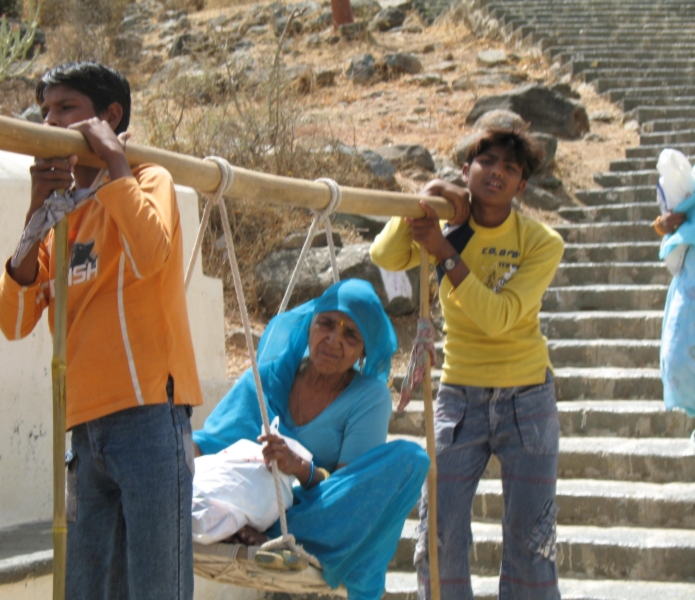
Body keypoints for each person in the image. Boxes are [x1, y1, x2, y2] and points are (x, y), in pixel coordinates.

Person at [0, 62, 202, 599]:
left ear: (110, 116)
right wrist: (35, 211)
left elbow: (151, 252)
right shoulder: (59, 222)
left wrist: (113, 163)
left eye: (66, 109)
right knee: (85, 588)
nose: (50, 121)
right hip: (84, 436)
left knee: (159, 588)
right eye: (46, 111)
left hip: (150, 422)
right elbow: (13, 321)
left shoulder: (149, 180)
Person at [370, 126, 565, 600]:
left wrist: (444, 252)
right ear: (466, 170)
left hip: (528, 401)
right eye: (487, 161)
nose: (496, 172)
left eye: (510, 168)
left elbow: (498, 318)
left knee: (531, 545)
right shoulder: (445, 223)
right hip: (458, 400)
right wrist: (428, 198)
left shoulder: (541, 242)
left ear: (522, 187)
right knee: (437, 537)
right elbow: (385, 255)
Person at [193, 279, 429, 600]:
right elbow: (207, 443)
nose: (333, 340)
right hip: (249, 503)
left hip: (315, 518)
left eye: (351, 335)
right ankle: (246, 526)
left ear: (363, 351)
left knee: (412, 459)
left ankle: (274, 535)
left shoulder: (368, 397)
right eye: (326, 324)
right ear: (309, 328)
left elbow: (351, 487)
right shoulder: (268, 380)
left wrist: (301, 468)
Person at [654, 209, 695, 429]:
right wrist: (662, 224)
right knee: (677, 357)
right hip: (691, 277)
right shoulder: (688, 175)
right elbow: (668, 214)